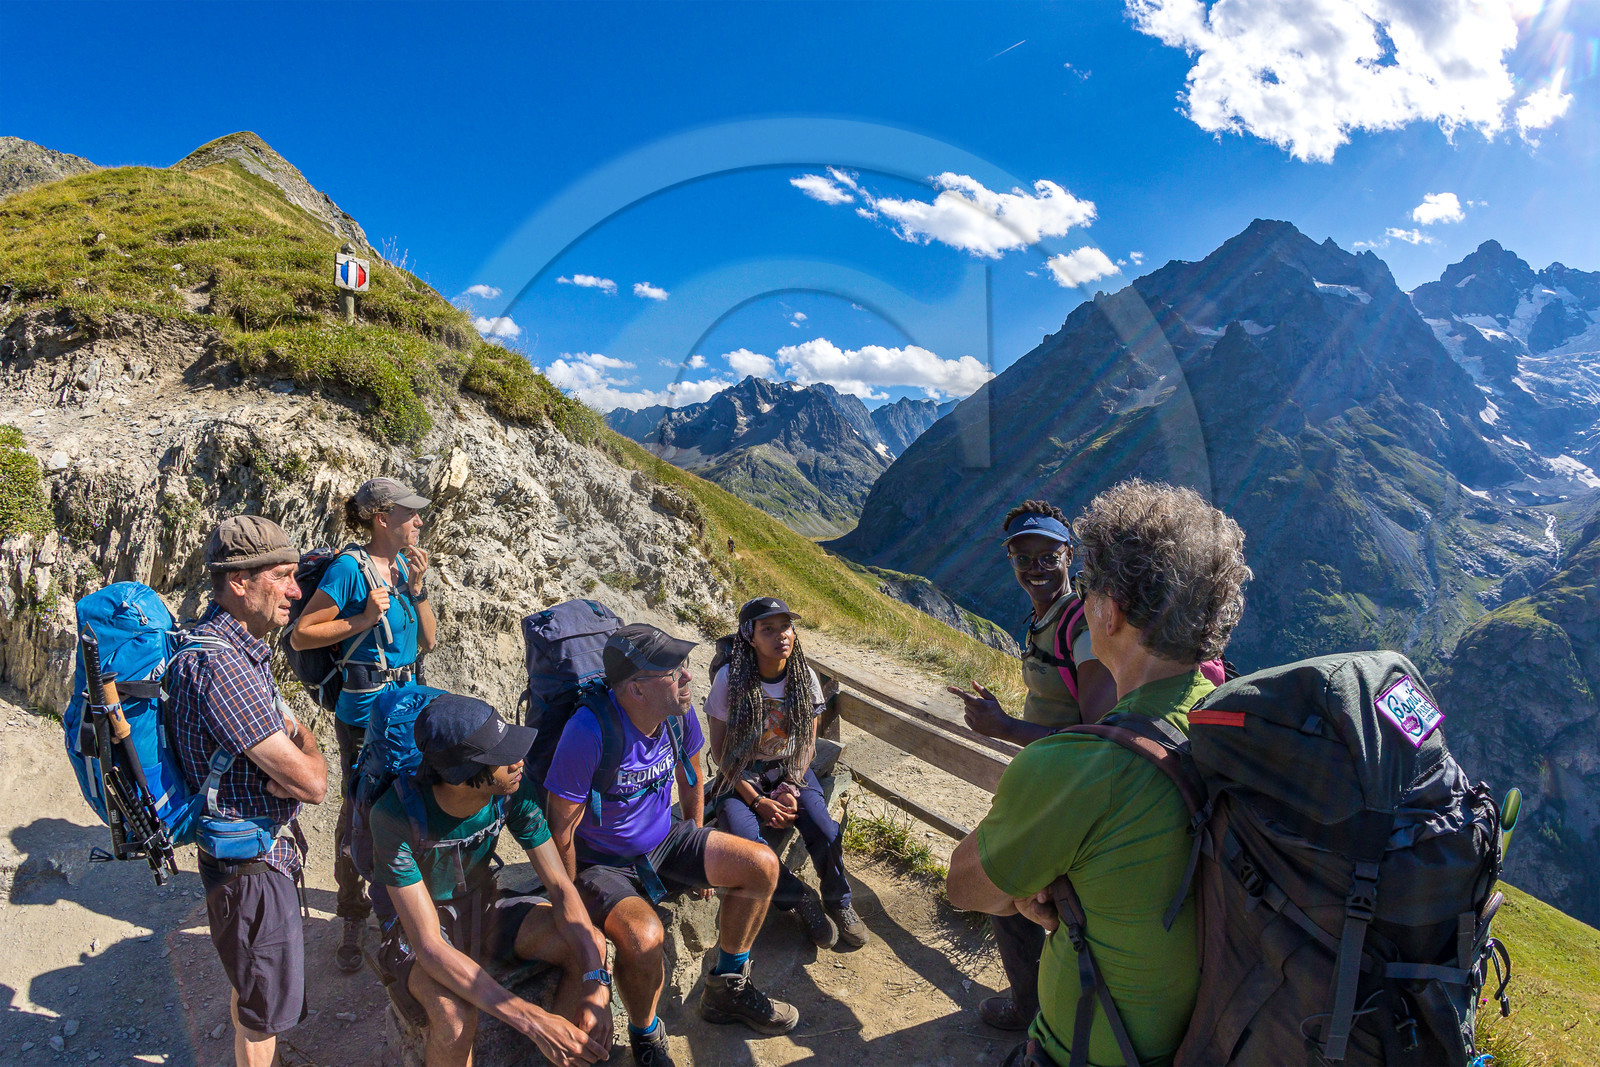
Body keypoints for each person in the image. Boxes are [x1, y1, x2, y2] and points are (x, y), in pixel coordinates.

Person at [947, 479, 1252, 1067]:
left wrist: (1029, 884)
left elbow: (965, 886)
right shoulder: (1226, 718)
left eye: (1089, 589)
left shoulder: (1081, 765)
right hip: (1210, 1038)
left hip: (1091, 1048)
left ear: (1108, 611)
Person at [545, 623, 799, 1067]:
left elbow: (692, 778)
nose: (688, 677)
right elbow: (560, 829)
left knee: (762, 866)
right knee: (645, 938)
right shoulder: (588, 731)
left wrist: (697, 840)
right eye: (674, 670)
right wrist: (573, 911)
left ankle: (727, 986)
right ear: (636, 689)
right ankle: (645, 1035)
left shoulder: (677, 713)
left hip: (667, 837)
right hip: (602, 863)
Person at [946, 499, 1117, 1032]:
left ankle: (1039, 1012)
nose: (1036, 568)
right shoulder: (1049, 619)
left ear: (1070, 554)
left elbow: (1100, 733)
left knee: (1006, 884)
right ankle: (1040, 1005)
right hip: (1048, 784)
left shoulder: (1080, 626)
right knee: (1022, 895)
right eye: (1024, 558)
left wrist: (1006, 729)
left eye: (1048, 556)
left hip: (1070, 794)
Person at [370, 693, 611, 1067]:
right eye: (501, 758)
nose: (518, 762)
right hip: (416, 929)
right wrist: (533, 1021)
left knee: (589, 943)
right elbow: (430, 945)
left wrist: (597, 983)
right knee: (454, 1016)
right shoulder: (395, 816)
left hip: (481, 908)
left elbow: (561, 888)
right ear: (463, 775)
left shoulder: (511, 791)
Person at [169, 516, 329, 1067]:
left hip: (239, 858)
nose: (296, 590)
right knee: (264, 1008)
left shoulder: (224, 646)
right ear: (239, 583)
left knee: (252, 981)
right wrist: (304, 738)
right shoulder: (224, 667)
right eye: (282, 576)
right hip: (251, 868)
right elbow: (313, 783)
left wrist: (290, 744)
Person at [290, 476, 437, 972]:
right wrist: (360, 621)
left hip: (407, 706)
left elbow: (428, 643)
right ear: (382, 518)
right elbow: (302, 636)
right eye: (410, 513)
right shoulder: (349, 570)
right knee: (359, 811)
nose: (419, 521)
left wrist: (416, 591)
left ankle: (402, 905)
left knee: (408, 803)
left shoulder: (401, 567)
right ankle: (353, 913)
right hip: (363, 716)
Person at [705, 597, 867, 950]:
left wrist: (792, 785)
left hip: (790, 769)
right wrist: (758, 799)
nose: (782, 636)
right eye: (769, 629)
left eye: (786, 627)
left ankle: (838, 900)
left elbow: (808, 740)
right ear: (750, 635)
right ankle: (798, 898)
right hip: (740, 776)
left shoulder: (802, 675)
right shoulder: (728, 679)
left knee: (823, 828)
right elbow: (720, 752)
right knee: (748, 847)